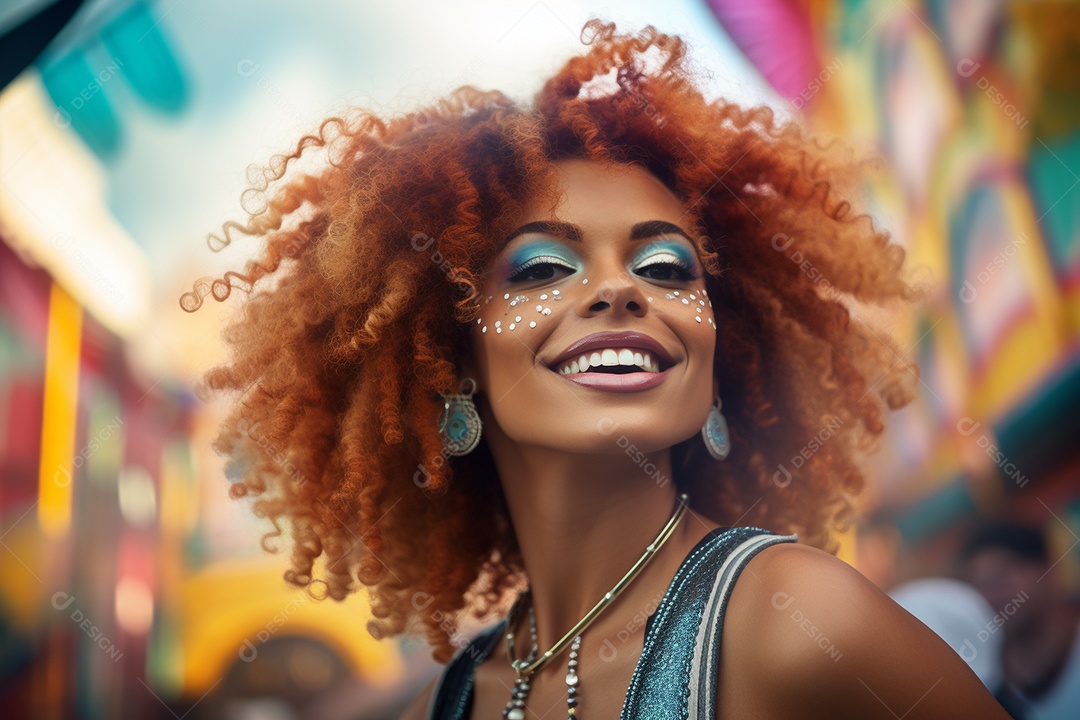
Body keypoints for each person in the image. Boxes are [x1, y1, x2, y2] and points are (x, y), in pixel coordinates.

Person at [182, 19, 1012, 719]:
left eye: (667, 268)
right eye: (543, 268)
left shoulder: (793, 621)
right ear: (451, 362)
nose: (620, 288)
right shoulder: (455, 695)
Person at [961, 520, 1080, 720]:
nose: (991, 595)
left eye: (999, 576)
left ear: (1046, 571)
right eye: (980, 585)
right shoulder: (984, 693)